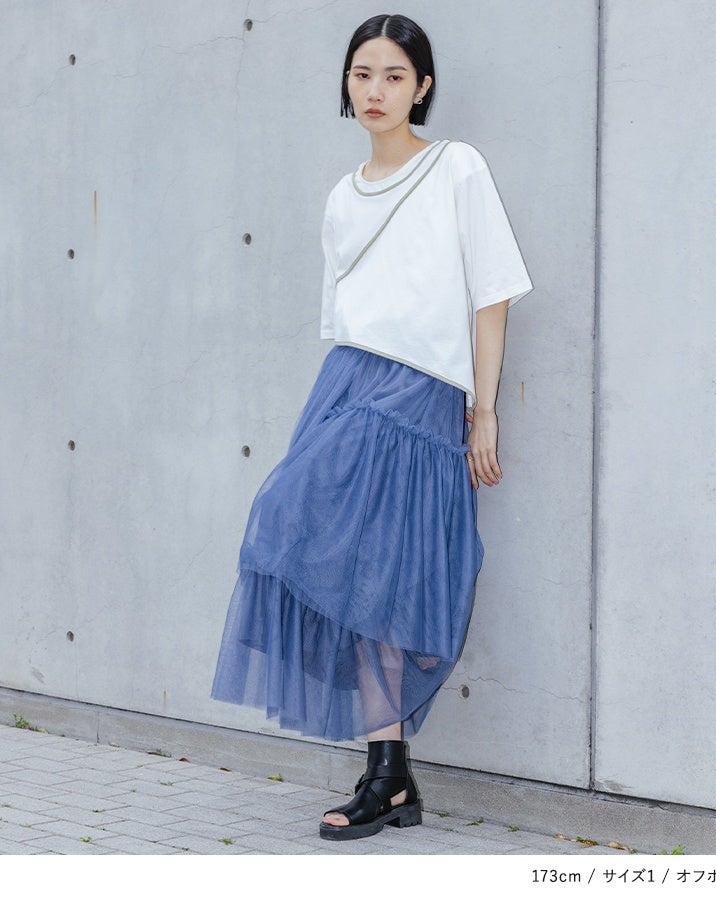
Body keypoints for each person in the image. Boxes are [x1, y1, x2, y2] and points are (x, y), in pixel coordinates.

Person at [211, 13, 533, 842]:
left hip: (420, 395)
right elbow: (350, 316)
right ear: (346, 83)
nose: (376, 90)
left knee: (378, 573)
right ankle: (389, 771)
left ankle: (388, 777)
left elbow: (491, 293)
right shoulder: (341, 196)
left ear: (422, 86)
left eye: (394, 75)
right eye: (363, 73)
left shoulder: (456, 167)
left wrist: (484, 410)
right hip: (350, 382)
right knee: (341, 559)